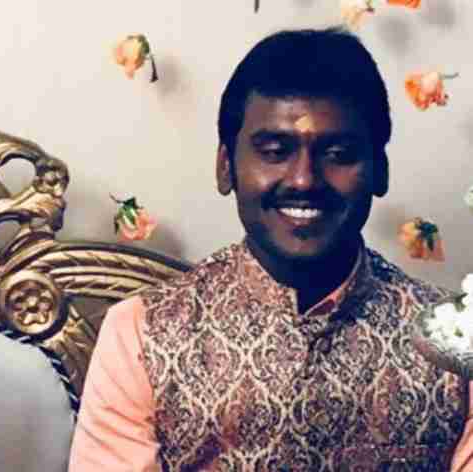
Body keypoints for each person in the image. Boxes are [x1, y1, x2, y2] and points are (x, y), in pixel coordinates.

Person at [70, 27, 473, 471]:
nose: (304, 180)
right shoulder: (141, 333)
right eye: (275, 151)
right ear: (226, 167)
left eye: (338, 154)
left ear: (380, 171)